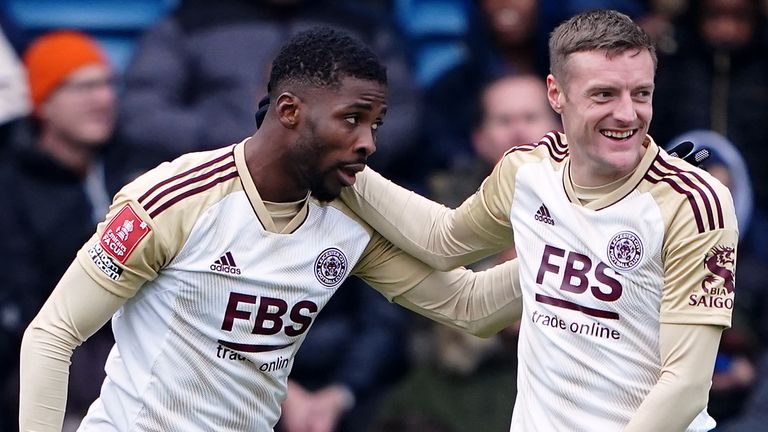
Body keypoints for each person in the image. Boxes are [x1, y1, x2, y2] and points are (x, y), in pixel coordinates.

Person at [18, 27, 524, 432]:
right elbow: (51, 334)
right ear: (289, 111)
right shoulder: (175, 199)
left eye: (376, 124)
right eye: (352, 119)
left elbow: (470, 306)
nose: (368, 142)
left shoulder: (346, 220)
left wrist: (575, 247)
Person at [341, 9, 738, 431]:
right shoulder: (529, 172)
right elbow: (452, 260)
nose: (627, 114)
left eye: (640, 94)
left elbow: (685, 387)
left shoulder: (692, 202)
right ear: (556, 94)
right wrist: (343, 172)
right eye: (603, 94)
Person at [0, 30, 137, 431]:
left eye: (108, 84)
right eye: (83, 87)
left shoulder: (135, 165)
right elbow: (29, 309)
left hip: (141, 354)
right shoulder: (12, 186)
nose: (104, 99)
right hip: (63, 367)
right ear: (45, 101)